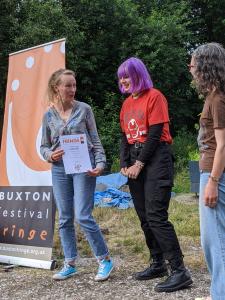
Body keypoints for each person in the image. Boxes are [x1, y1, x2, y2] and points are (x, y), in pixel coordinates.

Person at [117, 57, 192, 293]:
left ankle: (179, 271)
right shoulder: (127, 103)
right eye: (121, 77)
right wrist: (124, 163)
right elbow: (124, 137)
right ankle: (157, 263)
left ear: (138, 75)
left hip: (156, 158)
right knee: (144, 217)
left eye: (127, 76)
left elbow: (156, 132)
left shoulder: (155, 96)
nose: (123, 81)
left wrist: (139, 163)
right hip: (135, 158)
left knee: (156, 215)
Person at [40, 68, 113, 281]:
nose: (73, 89)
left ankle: (105, 259)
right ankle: (70, 263)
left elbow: (95, 139)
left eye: (74, 85)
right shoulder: (48, 115)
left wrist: (100, 163)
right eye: (68, 85)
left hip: (84, 166)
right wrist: (50, 155)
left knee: (83, 215)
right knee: (64, 217)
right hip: (60, 169)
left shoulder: (84, 109)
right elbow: (43, 146)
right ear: (57, 88)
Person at [189, 43, 225, 300]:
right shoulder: (214, 96)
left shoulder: (218, 98)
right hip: (213, 172)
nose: (190, 68)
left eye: (193, 63)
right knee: (215, 241)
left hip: (215, 174)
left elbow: (223, 145)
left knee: (215, 243)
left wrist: (212, 181)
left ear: (205, 65)